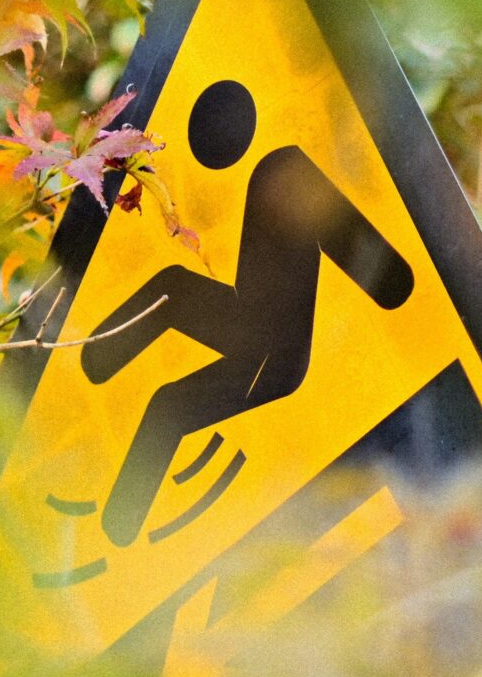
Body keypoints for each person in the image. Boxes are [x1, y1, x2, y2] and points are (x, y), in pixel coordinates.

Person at [81, 78, 415, 545]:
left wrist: (395, 285)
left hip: (272, 354)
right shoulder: (257, 176)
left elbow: (382, 272)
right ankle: (86, 359)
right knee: (171, 294)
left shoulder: (284, 167)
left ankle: (118, 527)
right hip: (249, 324)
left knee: (168, 403)